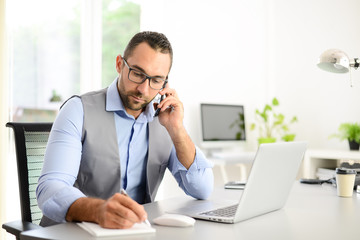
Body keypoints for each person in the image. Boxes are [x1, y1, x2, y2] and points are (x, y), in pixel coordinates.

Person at [36, 31, 214, 229]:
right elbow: (50, 189)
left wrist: (177, 129)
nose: (144, 90)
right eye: (137, 74)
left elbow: (202, 189)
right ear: (120, 64)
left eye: (156, 80)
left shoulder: (165, 120)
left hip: (133, 232)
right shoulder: (78, 110)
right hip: (72, 232)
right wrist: (98, 211)